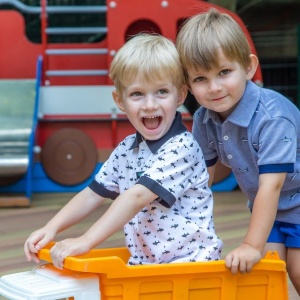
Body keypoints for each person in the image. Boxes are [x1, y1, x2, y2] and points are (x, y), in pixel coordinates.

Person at [24, 33, 223, 269]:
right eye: (137, 94)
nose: (150, 104)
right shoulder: (127, 150)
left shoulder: (182, 148)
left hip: (192, 264)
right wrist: (51, 227)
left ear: (180, 95)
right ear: (120, 100)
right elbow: (92, 194)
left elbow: (137, 196)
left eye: (161, 92)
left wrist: (86, 240)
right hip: (144, 264)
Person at [176, 8, 300, 295]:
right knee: (266, 274)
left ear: (248, 67)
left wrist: (250, 245)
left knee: (296, 269)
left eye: (224, 72)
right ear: (187, 85)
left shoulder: (271, 116)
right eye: (200, 79)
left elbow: (272, 186)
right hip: (269, 212)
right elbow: (199, 179)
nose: (214, 87)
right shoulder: (204, 119)